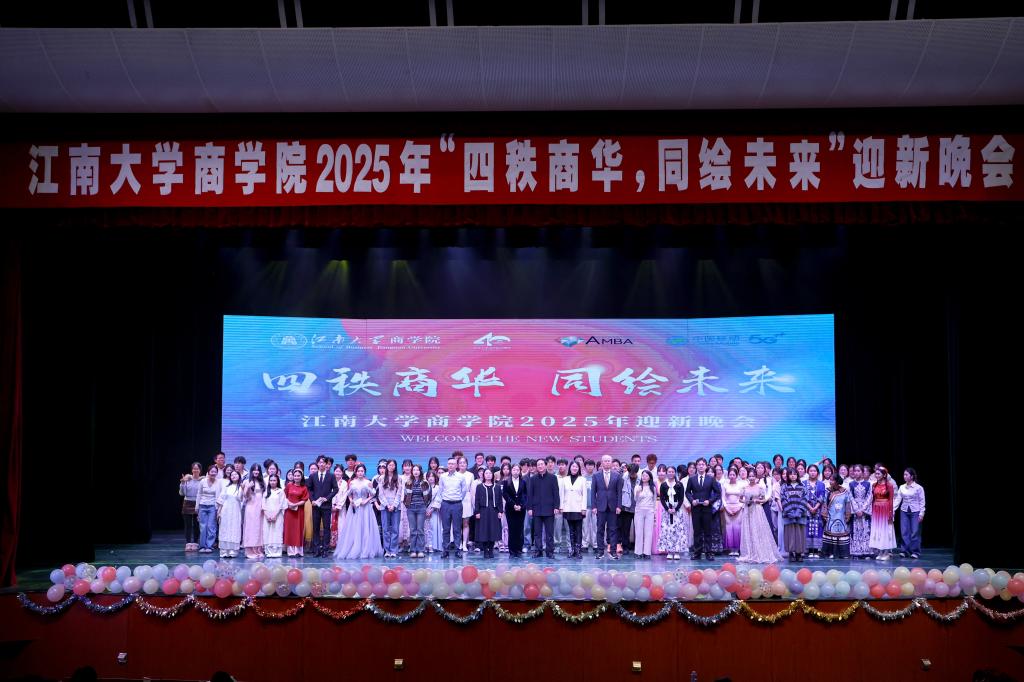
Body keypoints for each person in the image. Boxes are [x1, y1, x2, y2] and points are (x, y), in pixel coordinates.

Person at [334, 464, 384, 560]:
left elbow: (373, 494)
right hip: (355, 508)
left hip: (365, 508)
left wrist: (366, 500)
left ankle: (365, 549)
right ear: (356, 472)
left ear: (364, 472)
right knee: (354, 527)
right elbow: (349, 494)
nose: (360, 473)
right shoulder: (352, 482)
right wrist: (351, 501)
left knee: (365, 527)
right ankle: (354, 547)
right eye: (358, 471)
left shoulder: (368, 482)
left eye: (362, 471)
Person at [739, 468, 781, 563]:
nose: (751, 478)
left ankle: (760, 552)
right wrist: (746, 501)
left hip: (757, 510)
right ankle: (750, 552)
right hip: (747, 510)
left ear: (756, 477)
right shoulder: (744, 488)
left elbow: (763, 499)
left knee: (758, 529)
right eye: (750, 476)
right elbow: (740, 499)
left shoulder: (760, 487)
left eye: (753, 476)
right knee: (749, 530)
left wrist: (757, 500)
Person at [686, 458, 722, 561]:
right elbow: (687, 492)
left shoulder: (711, 479)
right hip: (696, 508)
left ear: (706, 466)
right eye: (699, 464)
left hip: (707, 508)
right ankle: (697, 553)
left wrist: (710, 501)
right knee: (697, 531)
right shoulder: (692, 479)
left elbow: (718, 493)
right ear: (696, 466)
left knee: (707, 531)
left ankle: (709, 552)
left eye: (703, 464)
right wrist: (692, 500)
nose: (701, 466)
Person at [306, 455, 339, 558]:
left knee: (326, 528)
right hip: (315, 506)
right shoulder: (313, 476)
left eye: (323, 462)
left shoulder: (331, 476)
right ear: (317, 463)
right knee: (315, 528)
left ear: (326, 464)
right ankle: (316, 550)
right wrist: (312, 500)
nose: (321, 464)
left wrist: (327, 498)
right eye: (320, 462)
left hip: (326, 506)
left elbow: (336, 489)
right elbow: (309, 489)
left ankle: (325, 549)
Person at [528, 458, 560, 559]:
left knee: (549, 532)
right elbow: (530, 494)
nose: (540, 466)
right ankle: (538, 551)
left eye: (542, 464)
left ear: (545, 465)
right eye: (538, 464)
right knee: (537, 533)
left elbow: (556, 493)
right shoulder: (533, 479)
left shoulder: (552, 478)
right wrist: (530, 508)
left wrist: (556, 507)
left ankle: (550, 552)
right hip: (536, 509)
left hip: (549, 509)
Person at [592, 454, 623, 559]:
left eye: (609, 461)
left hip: (613, 507)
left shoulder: (617, 475)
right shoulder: (596, 475)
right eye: (605, 461)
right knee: (600, 529)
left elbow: (619, 492)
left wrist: (619, 506)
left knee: (613, 529)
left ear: (611, 462)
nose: (607, 462)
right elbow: (593, 492)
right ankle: (600, 551)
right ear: (602, 462)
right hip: (600, 506)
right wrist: (594, 506)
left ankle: (613, 551)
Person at [437, 457, 469, 558]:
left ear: (456, 465)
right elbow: (440, 490)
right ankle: (445, 550)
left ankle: (457, 549)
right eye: (449, 464)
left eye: (453, 464)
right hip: (445, 504)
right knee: (445, 528)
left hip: (457, 504)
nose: (450, 465)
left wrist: (457, 499)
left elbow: (464, 491)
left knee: (457, 528)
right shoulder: (443, 476)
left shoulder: (461, 477)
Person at [895, 467, 926, 559]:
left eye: (906, 475)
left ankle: (915, 551)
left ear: (911, 476)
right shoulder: (902, 487)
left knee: (915, 532)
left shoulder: (919, 488)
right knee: (904, 531)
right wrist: (892, 509)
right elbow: (898, 500)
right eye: (904, 474)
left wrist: (921, 513)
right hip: (904, 511)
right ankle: (904, 551)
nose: (904, 476)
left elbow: (922, 501)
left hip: (915, 511)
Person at [559, 460, 587, 559]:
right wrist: (561, 507)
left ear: (579, 468)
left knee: (578, 530)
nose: (574, 468)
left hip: (579, 508)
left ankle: (578, 550)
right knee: (570, 530)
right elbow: (562, 494)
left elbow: (585, 495)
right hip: (567, 508)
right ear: (570, 468)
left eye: (576, 467)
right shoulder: (565, 479)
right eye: (573, 466)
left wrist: (583, 508)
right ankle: (572, 550)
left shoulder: (582, 479)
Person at [474, 468, 504, 558]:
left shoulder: (497, 487)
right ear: (483, 475)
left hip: (494, 511)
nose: (488, 475)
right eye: (486, 473)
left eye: (490, 473)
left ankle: (491, 550)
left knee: (493, 530)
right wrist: (477, 512)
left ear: (492, 475)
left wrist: (500, 511)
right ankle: (485, 551)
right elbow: (477, 500)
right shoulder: (479, 486)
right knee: (484, 530)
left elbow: (500, 500)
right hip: (483, 511)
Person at [658, 465, 686, 560]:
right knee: (668, 530)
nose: (670, 473)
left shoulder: (679, 484)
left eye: (672, 472)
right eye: (669, 472)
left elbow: (681, 498)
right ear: (667, 473)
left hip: (677, 510)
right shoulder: (663, 485)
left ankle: (677, 551)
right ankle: (669, 551)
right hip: (667, 511)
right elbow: (662, 498)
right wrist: (667, 509)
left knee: (677, 530)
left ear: (675, 473)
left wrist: (676, 509)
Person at [869, 465, 897, 560]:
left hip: (885, 509)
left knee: (885, 530)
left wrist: (890, 513)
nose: (876, 475)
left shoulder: (889, 485)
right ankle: (880, 552)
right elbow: (872, 498)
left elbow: (891, 500)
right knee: (878, 530)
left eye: (878, 474)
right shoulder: (874, 485)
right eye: (876, 474)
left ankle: (886, 552)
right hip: (876, 509)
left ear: (884, 475)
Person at [781, 467, 809, 561]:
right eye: (791, 474)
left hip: (800, 515)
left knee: (800, 534)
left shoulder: (802, 487)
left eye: (795, 474)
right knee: (790, 534)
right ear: (788, 475)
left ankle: (799, 553)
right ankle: (791, 553)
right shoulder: (784, 487)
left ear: (797, 475)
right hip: (788, 515)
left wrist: (798, 511)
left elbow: (805, 499)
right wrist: (790, 512)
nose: (793, 476)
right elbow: (783, 499)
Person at [822, 474, 853, 559]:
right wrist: (824, 514)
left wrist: (848, 515)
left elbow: (848, 503)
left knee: (842, 533)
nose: (830, 481)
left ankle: (842, 554)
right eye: (830, 480)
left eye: (832, 480)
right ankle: (830, 553)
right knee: (830, 532)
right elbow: (824, 503)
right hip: (831, 516)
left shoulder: (845, 491)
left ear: (837, 481)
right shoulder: (827, 491)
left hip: (841, 516)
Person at [404, 464, 431, 558]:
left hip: (421, 508)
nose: (415, 472)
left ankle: (420, 550)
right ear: (412, 472)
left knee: (420, 529)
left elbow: (429, 496)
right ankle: (413, 550)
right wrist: (407, 505)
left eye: (417, 470)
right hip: (411, 508)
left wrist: (425, 506)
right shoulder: (408, 483)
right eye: (414, 470)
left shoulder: (425, 483)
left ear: (420, 471)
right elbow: (405, 496)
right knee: (412, 530)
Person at [503, 463, 529, 558]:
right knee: (512, 529)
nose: (516, 472)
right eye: (514, 470)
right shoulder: (506, 482)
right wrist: (513, 505)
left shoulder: (523, 482)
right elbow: (505, 495)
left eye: (517, 470)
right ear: (511, 471)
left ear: (520, 471)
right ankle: (512, 550)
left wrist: (521, 506)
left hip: (521, 509)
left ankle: (519, 549)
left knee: (520, 529)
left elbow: (525, 495)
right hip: (510, 509)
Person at [378, 459, 402, 559]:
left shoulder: (399, 478)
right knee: (386, 529)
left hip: (396, 507)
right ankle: (387, 550)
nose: (391, 467)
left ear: (395, 467)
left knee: (395, 529)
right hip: (385, 506)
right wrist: (387, 505)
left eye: (393, 465)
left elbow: (399, 493)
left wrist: (394, 505)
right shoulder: (381, 478)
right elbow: (380, 494)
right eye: (389, 465)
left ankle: (394, 550)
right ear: (387, 466)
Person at [217, 469, 244, 558]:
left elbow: (241, 499)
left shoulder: (241, 487)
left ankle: (233, 551)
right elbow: (221, 500)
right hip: (226, 511)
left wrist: (243, 489)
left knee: (234, 529)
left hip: (235, 511)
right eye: (232, 475)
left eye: (235, 474)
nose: (233, 476)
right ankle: (224, 551)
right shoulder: (227, 487)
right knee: (224, 529)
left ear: (239, 476)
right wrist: (219, 512)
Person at [848, 464, 873, 558]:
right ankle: (856, 551)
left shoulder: (868, 484)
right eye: (855, 471)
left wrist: (863, 509)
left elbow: (869, 497)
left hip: (864, 511)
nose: (856, 473)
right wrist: (856, 509)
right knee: (855, 530)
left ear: (862, 472)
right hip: (855, 511)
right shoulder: (851, 484)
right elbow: (851, 497)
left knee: (866, 530)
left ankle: (866, 551)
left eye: (858, 471)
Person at [196, 465, 222, 553]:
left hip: (212, 507)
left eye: (215, 472)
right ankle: (202, 546)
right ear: (208, 472)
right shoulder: (202, 481)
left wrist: (218, 509)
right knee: (203, 527)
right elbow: (199, 494)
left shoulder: (218, 482)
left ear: (217, 473)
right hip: (202, 505)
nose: (213, 473)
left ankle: (209, 546)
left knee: (211, 526)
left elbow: (219, 496)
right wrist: (197, 507)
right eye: (212, 471)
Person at [632, 469, 657, 559]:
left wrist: (654, 512)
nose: (644, 477)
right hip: (639, 510)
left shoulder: (653, 488)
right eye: (643, 475)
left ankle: (647, 552)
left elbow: (654, 501)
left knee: (648, 532)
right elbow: (635, 500)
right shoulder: (637, 487)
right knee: (639, 532)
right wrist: (638, 493)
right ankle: (638, 552)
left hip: (649, 511)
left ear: (650, 477)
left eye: (646, 476)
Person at [241, 464, 265, 559]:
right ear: (251, 471)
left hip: (260, 507)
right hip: (251, 507)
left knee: (259, 528)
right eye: (254, 470)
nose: (256, 472)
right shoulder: (247, 481)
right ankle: (250, 551)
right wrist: (247, 487)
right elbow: (245, 496)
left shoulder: (262, 481)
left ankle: (258, 550)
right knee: (250, 528)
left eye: (258, 470)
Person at [284, 468, 309, 557]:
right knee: (290, 530)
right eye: (295, 475)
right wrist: (289, 503)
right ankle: (291, 552)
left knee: (298, 530)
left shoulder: (304, 487)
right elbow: (284, 496)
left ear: (301, 477)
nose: (296, 477)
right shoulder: (289, 485)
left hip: (299, 512)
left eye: (298, 476)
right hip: (289, 511)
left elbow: (305, 499)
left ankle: (298, 551)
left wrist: (295, 504)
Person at [804, 464, 827, 558]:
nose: (813, 473)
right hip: (807, 510)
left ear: (817, 473)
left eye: (814, 471)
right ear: (808, 472)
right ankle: (809, 550)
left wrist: (815, 508)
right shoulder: (803, 484)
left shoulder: (821, 484)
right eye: (811, 471)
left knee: (818, 529)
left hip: (818, 510)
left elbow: (822, 497)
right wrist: (810, 508)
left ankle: (817, 550)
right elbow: (803, 497)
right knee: (808, 529)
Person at [179, 462, 202, 552]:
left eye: (197, 469)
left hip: (198, 503)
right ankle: (188, 543)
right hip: (187, 503)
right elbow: (182, 493)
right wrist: (182, 483)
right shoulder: (187, 479)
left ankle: (195, 543)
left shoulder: (202, 480)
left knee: (196, 525)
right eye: (194, 469)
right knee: (188, 525)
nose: (195, 470)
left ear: (200, 470)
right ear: (192, 470)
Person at [722, 467, 744, 556]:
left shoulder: (740, 485)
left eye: (733, 475)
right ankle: (731, 549)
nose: (732, 476)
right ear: (728, 475)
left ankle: (737, 549)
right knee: (729, 528)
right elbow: (723, 498)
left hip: (738, 508)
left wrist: (739, 508)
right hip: (728, 508)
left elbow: (743, 497)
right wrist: (726, 508)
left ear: (737, 475)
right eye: (730, 474)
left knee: (737, 528)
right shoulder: (725, 485)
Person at [262, 474, 285, 558]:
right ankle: (268, 551)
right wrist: (267, 515)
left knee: (277, 532)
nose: (272, 482)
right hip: (267, 516)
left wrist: (275, 515)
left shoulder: (280, 491)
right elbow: (263, 505)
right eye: (271, 480)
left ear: (277, 481)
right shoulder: (266, 492)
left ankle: (277, 552)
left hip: (278, 516)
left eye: (274, 480)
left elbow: (281, 504)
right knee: (268, 533)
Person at [618, 463, 638, 556]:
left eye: (634, 473)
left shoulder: (641, 478)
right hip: (626, 507)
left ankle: (637, 547)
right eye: (630, 473)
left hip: (638, 507)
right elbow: (619, 492)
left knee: (638, 529)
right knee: (625, 529)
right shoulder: (623, 478)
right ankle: (625, 547)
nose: (632, 475)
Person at [330, 464, 349, 549]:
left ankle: (340, 545)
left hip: (341, 508)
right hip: (330, 508)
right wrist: (331, 505)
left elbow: (344, 495)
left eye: (339, 471)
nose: (338, 473)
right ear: (334, 472)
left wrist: (338, 506)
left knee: (341, 525)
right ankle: (331, 544)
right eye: (336, 471)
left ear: (342, 473)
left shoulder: (344, 483)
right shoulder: (330, 481)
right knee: (330, 525)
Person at [424, 470, 442, 553]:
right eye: (429, 476)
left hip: (434, 511)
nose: (431, 478)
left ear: (435, 478)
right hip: (424, 511)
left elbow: (439, 499)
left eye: (432, 476)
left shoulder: (438, 488)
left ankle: (433, 546)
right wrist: (425, 509)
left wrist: (431, 509)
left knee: (433, 528)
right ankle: (426, 545)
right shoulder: (423, 487)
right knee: (425, 528)